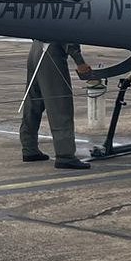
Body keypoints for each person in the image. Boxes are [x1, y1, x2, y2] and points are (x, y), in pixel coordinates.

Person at [19, 40, 94, 170]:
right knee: (60, 105)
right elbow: (68, 36)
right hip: (51, 52)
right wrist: (80, 62)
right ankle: (65, 156)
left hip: (36, 48)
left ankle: (29, 148)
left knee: (34, 103)